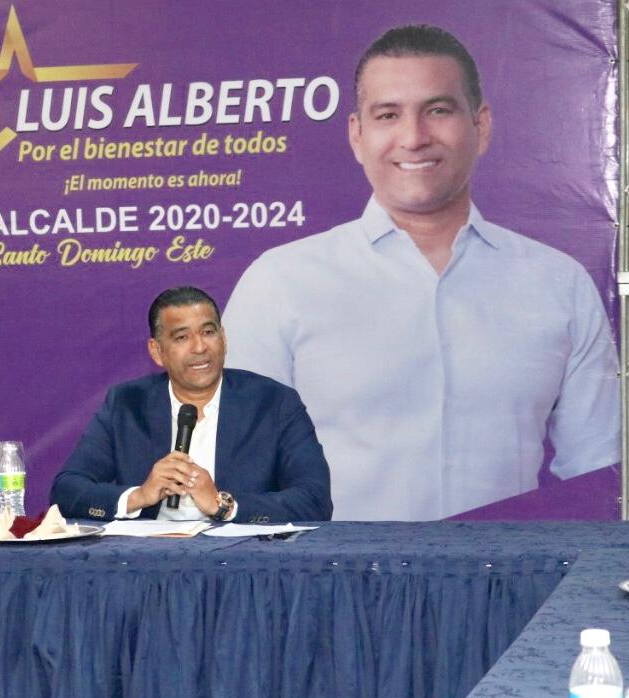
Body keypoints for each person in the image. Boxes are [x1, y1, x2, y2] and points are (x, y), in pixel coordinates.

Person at [222, 24, 620, 520]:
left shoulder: (559, 284)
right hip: (332, 569)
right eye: (388, 115)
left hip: (508, 569)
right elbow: (237, 473)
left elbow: (598, 474)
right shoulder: (281, 283)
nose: (413, 138)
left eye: (438, 110)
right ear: (357, 135)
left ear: (481, 126)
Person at [51, 286, 332, 523]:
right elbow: (66, 490)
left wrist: (224, 505)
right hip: (150, 559)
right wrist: (139, 496)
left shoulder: (274, 403)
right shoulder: (127, 404)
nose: (199, 347)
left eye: (208, 332)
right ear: (157, 352)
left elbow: (314, 500)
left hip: (241, 559)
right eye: (182, 337)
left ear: (224, 339)